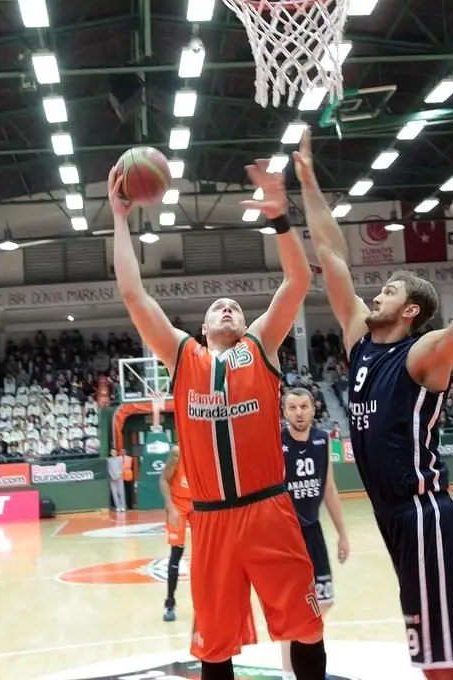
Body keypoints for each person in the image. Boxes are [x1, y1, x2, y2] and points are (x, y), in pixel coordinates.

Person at [295, 129, 453, 680]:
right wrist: (308, 180)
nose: (377, 294)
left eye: (391, 292)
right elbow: (329, 252)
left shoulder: (423, 354)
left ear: (412, 312)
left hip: (423, 514)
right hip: (394, 519)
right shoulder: (359, 344)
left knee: (440, 660)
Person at [109, 159, 327, 680]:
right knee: (214, 647)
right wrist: (120, 219)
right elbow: (134, 294)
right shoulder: (183, 358)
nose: (227, 308)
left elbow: (298, 280)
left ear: (246, 323)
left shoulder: (261, 348)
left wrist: (280, 219)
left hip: (269, 510)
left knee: (306, 627)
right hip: (209, 521)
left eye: (234, 306)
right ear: (203, 326)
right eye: (218, 307)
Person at [279, 387, 350, 680]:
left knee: (325, 600)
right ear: (284, 412)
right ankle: (288, 672)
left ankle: (303, 654)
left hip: (314, 529)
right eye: (293, 407)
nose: (299, 412)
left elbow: (329, 489)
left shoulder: (322, 439)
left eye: (304, 407)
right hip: (286, 536)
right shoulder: (276, 442)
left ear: (313, 409)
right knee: (290, 609)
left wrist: (342, 534)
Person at [159, 444, 191, 622]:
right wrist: (170, 506)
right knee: (176, 554)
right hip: (178, 503)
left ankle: (209, 603)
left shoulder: (207, 449)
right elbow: (163, 479)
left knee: (208, 553)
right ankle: (169, 603)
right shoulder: (177, 452)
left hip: (199, 504)